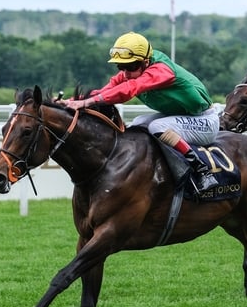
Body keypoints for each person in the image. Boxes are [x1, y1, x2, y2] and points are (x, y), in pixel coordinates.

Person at [61, 31, 220, 192]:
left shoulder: (161, 71)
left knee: (157, 127)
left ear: (146, 62)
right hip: (180, 117)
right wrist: (71, 101)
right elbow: (104, 92)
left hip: (204, 122)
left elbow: (129, 89)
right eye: (121, 66)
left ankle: (202, 171)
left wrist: (86, 102)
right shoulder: (132, 72)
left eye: (130, 66)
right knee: (138, 124)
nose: (125, 73)